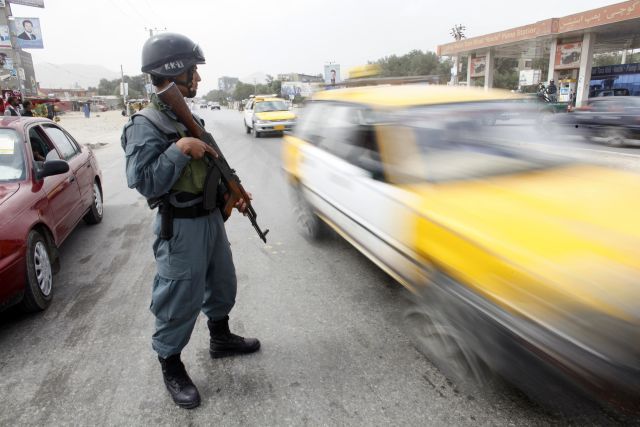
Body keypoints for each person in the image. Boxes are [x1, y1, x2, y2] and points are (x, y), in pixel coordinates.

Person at [120, 32, 260, 410]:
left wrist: (234, 190)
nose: (197, 79)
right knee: (179, 296)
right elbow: (144, 181)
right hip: (179, 226)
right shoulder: (145, 124)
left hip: (209, 217)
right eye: (192, 72)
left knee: (222, 281)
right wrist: (180, 150)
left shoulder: (190, 117)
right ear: (172, 72)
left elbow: (213, 162)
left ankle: (220, 337)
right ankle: (171, 364)